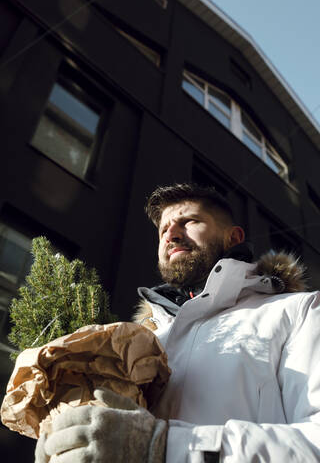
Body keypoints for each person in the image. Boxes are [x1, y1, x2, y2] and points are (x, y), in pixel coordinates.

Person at [35, 183, 320, 462]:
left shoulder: (297, 312)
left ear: (233, 238)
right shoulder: (140, 346)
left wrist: (164, 448)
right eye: (162, 230)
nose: (171, 234)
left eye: (189, 221)